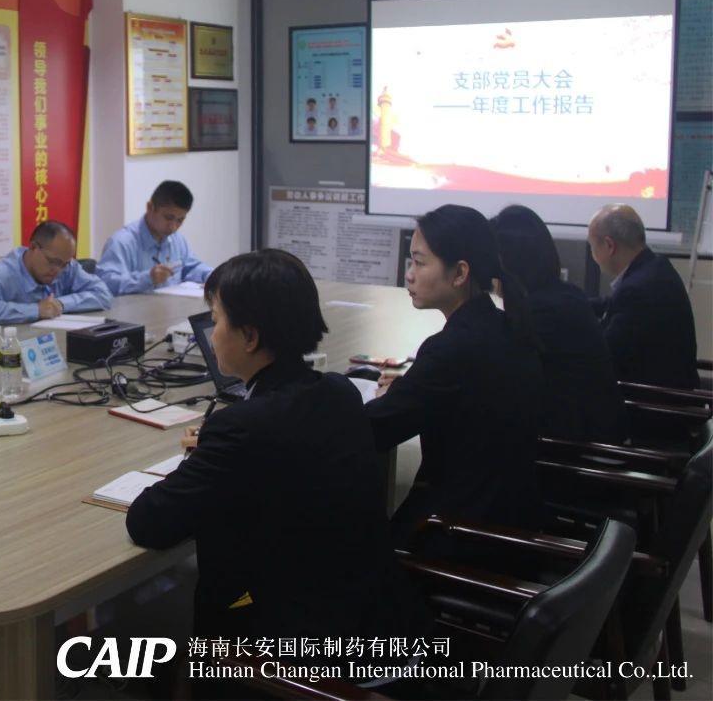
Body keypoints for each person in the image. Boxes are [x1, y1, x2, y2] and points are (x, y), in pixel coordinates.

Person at [126, 250, 425, 673]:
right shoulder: (339, 392)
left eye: (217, 320)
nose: (211, 336)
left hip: (293, 648)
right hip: (371, 615)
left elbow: (148, 521)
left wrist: (205, 458)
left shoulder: (240, 428)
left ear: (249, 337)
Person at [366, 205, 544, 548]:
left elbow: (375, 429)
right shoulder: (505, 326)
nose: (409, 275)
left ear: (460, 273)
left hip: (461, 531)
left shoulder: (451, 349)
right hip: (509, 513)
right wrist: (407, 390)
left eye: (419, 263)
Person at [492, 205, 626, 443]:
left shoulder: (539, 312)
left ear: (507, 263)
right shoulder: (565, 295)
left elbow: (499, 376)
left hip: (576, 448)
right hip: (592, 429)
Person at [587, 203, 698, 390]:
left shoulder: (636, 291)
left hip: (653, 402)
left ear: (609, 245)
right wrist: (575, 304)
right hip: (670, 390)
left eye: (592, 246)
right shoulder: (656, 267)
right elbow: (612, 304)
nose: (592, 254)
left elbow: (605, 356)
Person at [0, 221, 111, 324]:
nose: (58, 270)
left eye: (64, 264)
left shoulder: (67, 266)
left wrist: (60, 304)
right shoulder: (0, 273)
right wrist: (36, 310)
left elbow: (103, 294)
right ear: (33, 247)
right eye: (52, 262)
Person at [96, 180, 213, 295]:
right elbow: (105, 283)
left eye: (180, 220)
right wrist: (147, 278)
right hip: (135, 307)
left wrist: (212, 277)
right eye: (168, 218)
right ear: (150, 207)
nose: (173, 227)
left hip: (172, 306)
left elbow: (192, 267)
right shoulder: (122, 242)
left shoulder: (177, 240)